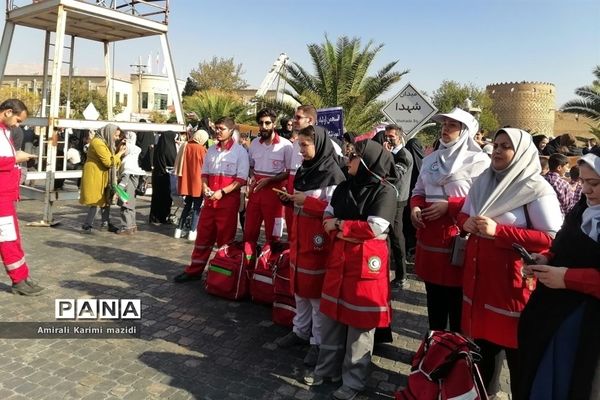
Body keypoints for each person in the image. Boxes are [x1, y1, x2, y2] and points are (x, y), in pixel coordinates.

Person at [457, 128, 563, 395]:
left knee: (519, 364)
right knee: (483, 359)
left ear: (522, 153)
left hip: (512, 293)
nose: (497, 150)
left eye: (506, 146)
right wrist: (465, 222)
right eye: (496, 144)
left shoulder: (536, 189)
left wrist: (499, 232)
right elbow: (464, 214)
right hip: (480, 286)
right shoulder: (483, 181)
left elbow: (552, 238)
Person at [303, 139, 396, 400]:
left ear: (367, 161)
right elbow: (326, 219)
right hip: (339, 262)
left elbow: (375, 228)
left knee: (360, 327)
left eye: (353, 157)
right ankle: (327, 370)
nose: (348, 161)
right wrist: (348, 228)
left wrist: (341, 227)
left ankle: (353, 382)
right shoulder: (344, 187)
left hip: (365, 269)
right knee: (331, 319)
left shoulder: (384, 191)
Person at [518, 148, 600, 400]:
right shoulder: (582, 209)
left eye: (594, 183)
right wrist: (546, 258)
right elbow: (564, 243)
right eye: (583, 181)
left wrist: (566, 278)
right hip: (555, 312)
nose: (586, 190)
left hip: (588, 324)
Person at [410, 107, 490, 332]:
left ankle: (455, 359)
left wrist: (449, 206)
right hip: (429, 239)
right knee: (434, 305)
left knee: (457, 310)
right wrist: (415, 207)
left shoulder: (479, 161)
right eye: (444, 124)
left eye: (452, 125)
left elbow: (482, 200)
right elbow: (418, 190)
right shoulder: (430, 159)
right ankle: (434, 352)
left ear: (465, 131)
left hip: (458, 243)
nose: (445, 129)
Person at [273, 125, 346, 367]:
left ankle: (318, 341)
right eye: (299, 145)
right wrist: (290, 199)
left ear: (320, 144)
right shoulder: (305, 169)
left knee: (315, 294)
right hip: (300, 236)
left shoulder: (333, 174)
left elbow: (335, 210)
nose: (300, 150)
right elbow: (301, 201)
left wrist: (308, 202)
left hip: (319, 241)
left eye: (305, 145)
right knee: (300, 290)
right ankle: (300, 331)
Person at [173, 117, 249, 283]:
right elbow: (204, 174)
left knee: (224, 241)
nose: (217, 131)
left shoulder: (240, 152)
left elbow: (241, 179)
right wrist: (205, 188)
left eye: (221, 128)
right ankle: (194, 271)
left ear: (231, 131)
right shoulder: (211, 150)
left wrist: (222, 192)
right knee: (203, 238)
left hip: (227, 204)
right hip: (209, 202)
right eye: (216, 128)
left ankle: (221, 275)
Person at [0, 99, 43, 296]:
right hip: (1, 196)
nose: (18, 125)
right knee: (8, 239)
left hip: (6, 194)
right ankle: (18, 280)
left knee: (13, 237)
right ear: (8, 112)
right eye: (18, 119)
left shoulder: (5, 131)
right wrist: (15, 159)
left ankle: (22, 277)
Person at [244, 108, 293, 249]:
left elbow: (289, 172)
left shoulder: (286, 145)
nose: (264, 127)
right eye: (261, 123)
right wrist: (252, 176)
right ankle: (248, 267)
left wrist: (270, 180)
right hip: (255, 194)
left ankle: (270, 266)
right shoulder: (254, 144)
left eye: (267, 123)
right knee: (249, 233)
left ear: (274, 123)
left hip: (275, 196)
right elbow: (251, 166)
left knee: (273, 236)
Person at [378, 125, 413, 289]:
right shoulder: (393, 153)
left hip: (398, 201)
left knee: (397, 238)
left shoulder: (403, 155)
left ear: (399, 137)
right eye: (386, 136)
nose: (388, 139)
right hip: (390, 199)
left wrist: (386, 155)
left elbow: (395, 175)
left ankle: (402, 275)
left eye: (391, 136)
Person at [80, 124, 126, 233]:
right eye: (115, 135)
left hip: (102, 175)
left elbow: (112, 160)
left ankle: (105, 223)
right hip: (95, 175)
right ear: (108, 133)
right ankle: (87, 225)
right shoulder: (98, 143)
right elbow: (109, 162)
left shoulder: (104, 142)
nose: (116, 138)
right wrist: (119, 153)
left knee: (106, 199)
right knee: (96, 201)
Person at [173, 129, 208, 241]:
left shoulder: (186, 146)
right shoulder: (202, 150)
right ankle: (192, 231)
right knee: (197, 208)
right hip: (198, 182)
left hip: (186, 181)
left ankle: (178, 229)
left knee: (186, 206)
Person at [115, 131, 146, 235]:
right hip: (131, 190)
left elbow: (124, 179)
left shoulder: (127, 162)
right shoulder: (134, 162)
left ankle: (126, 227)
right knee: (131, 208)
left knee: (125, 208)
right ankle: (132, 225)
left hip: (125, 191)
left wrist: (118, 190)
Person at [149, 131, 177, 224]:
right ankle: (163, 217)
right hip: (165, 177)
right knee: (165, 198)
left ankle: (154, 217)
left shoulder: (158, 147)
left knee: (156, 197)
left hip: (156, 175)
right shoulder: (169, 148)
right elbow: (173, 161)